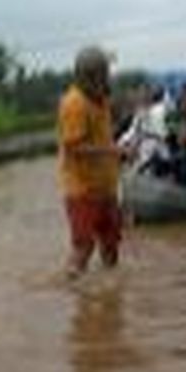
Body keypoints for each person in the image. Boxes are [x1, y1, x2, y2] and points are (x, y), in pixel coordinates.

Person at [58, 46, 127, 275]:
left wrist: (118, 150)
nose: (109, 74)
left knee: (111, 245)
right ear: (92, 75)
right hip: (82, 190)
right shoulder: (74, 103)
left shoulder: (101, 98)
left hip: (106, 187)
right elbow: (74, 147)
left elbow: (103, 133)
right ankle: (74, 292)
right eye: (105, 71)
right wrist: (112, 150)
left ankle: (110, 299)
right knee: (84, 247)